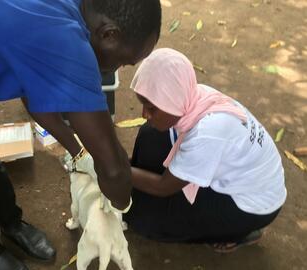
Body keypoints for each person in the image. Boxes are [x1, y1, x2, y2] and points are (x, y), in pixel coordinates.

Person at [0, 0, 161, 270]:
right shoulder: (65, 42)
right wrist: (120, 204)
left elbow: (31, 87)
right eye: (123, 61)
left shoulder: (71, 12)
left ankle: (11, 223)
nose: (116, 68)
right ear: (109, 34)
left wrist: (80, 151)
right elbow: (115, 169)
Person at [123, 48, 287, 252]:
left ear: (171, 101)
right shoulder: (192, 95)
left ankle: (239, 232)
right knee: (151, 134)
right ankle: (139, 190)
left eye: (151, 107)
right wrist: (128, 167)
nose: (144, 113)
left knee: (143, 220)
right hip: (246, 175)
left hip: (251, 206)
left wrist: (116, 169)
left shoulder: (207, 133)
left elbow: (163, 187)